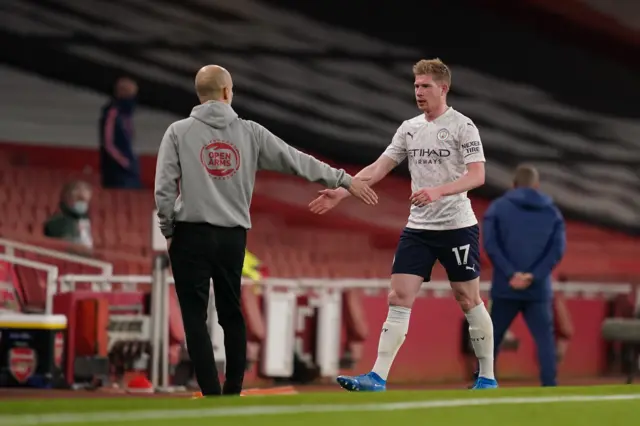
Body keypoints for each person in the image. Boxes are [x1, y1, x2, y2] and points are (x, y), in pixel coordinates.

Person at [154, 65, 377, 397]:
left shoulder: (177, 132)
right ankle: (233, 389)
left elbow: (164, 189)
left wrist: (168, 229)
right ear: (228, 92)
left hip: (191, 234)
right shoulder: (251, 133)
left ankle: (211, 392)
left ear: (199, 94)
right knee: (232, 313)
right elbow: (297, 160)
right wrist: (344, 179)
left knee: (194, 317)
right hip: (232, 236)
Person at [309, 58, 497, 390]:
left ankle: (487, 376)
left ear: (443, 88)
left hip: (457, 226)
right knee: (398, 296)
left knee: (468, 300)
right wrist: (342, 192)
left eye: (425, 86)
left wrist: (437, 191)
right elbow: (378, 168)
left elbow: (477, 176)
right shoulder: (409, 128)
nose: (419, 92)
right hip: (419, 229)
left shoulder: (463, 126)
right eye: (416, 86)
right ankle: (377, 376)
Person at [482, 164, 566, 386]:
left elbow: (490, 245)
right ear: (537, 186)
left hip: (505, 286)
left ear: (513, 185)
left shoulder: (498, 208)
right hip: (537, 289)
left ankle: (484, 381)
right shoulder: (552, 212)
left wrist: (511, 274)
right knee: (544, 340)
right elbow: (557, 250)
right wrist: (533, 276)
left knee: (492, 337)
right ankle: (550, 385)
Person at [99, 77, 141, 189]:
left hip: (130, 167)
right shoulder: (112, 113)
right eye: (130, 94)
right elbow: (108, 143)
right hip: (116, 171)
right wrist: (124, 162)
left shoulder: (126, 114)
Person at [43, 180, 94, 254]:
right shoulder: (55, 222)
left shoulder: (85, 221)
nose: (81, 204)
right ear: (66, 198)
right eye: (78, 200)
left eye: (83, 201)